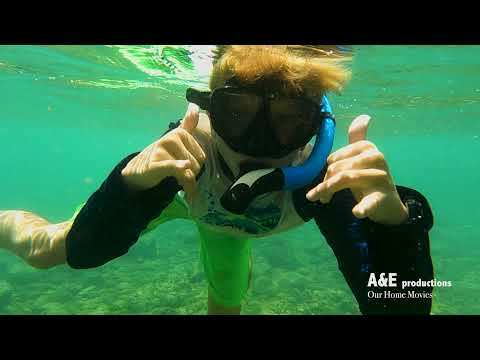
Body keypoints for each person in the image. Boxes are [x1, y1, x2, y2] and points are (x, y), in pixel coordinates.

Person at [0, 45, 434, 315]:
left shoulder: (322, 181)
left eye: (289, 121)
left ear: (316, 126)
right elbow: (84, 252)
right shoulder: (185, 156)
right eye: (238, 115)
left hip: (225, 230)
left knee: (227, 302)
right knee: (48, 251)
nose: (262, 144)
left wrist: (394, 227)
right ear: (211, 110)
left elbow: (403, 308)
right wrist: (128, 188)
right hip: (186, 198)